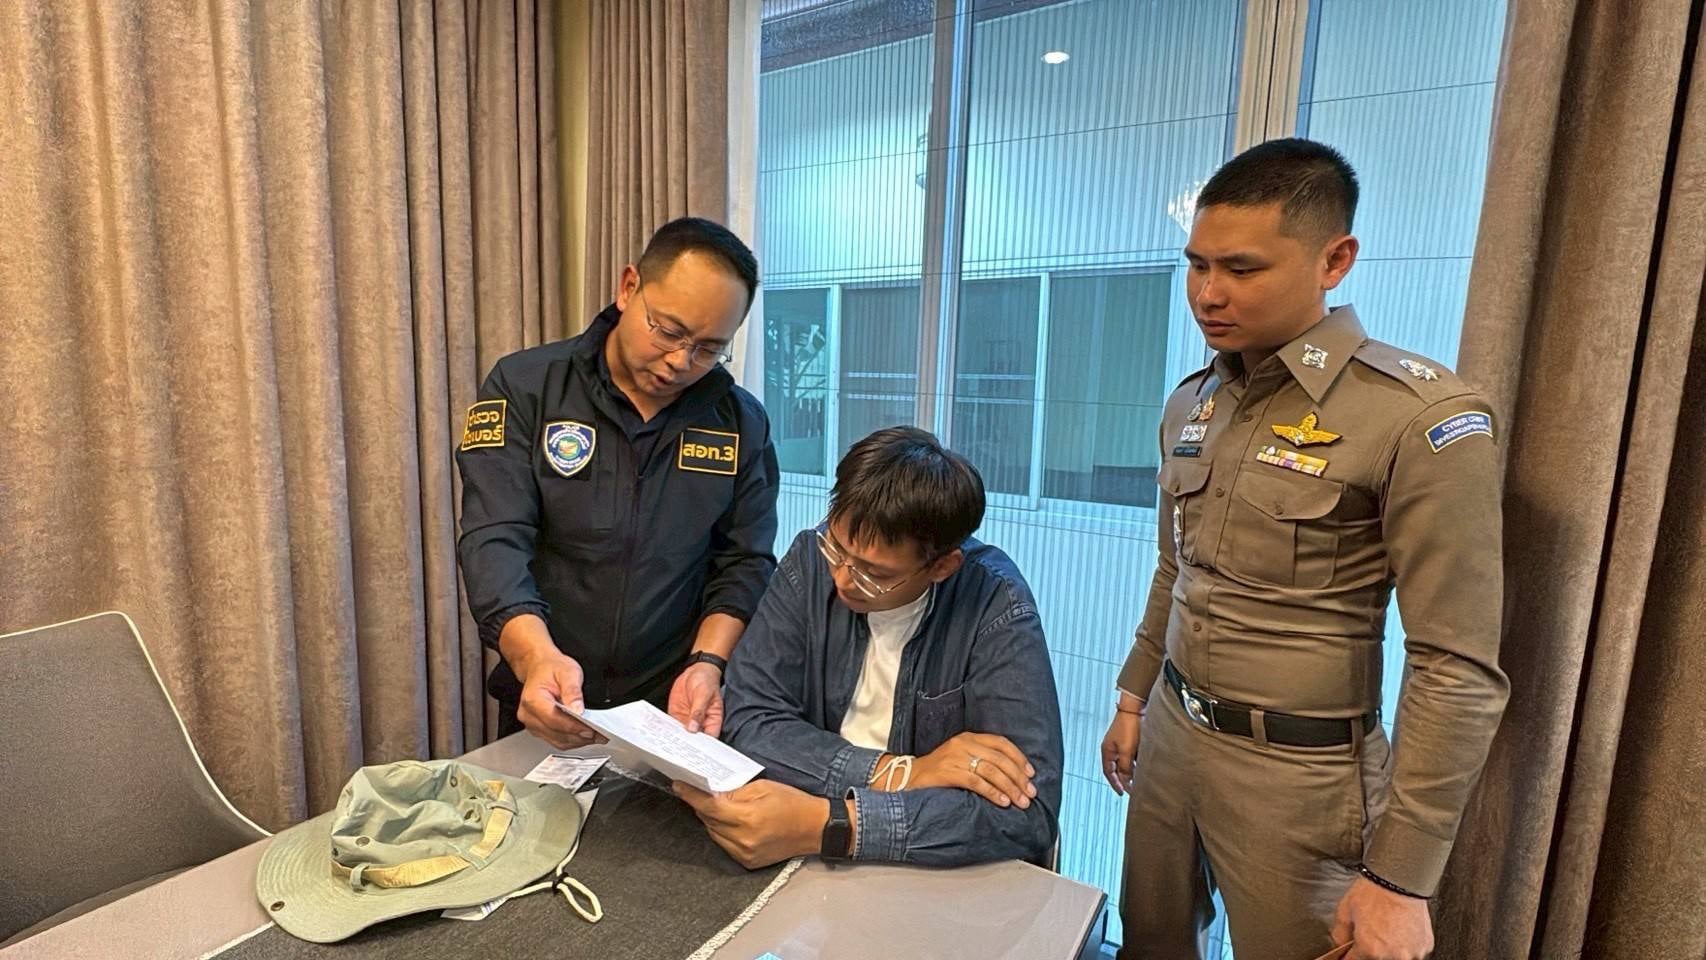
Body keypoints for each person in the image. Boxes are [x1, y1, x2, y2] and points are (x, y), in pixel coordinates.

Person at [1101, 139, 1508, 960]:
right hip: (1174, 736)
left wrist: (1401, 878)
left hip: (1301, 776)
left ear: (1335, 260)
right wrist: (1134, 697)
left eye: (1242, 269)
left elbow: (1455, 665)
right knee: (1151, 944)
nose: (1208, 293)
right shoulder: (1194, 402)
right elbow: (1177, 566)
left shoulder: (1417, 417)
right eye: (1197, 265)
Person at [456, 217, 779, 749]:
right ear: (629, 287)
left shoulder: (740, 422)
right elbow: (495, 538)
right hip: (548, 690)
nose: (680, 362)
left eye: (708, 349)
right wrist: (535, 658)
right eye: (668, 331)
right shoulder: (527, 387)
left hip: (669, 709)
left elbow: (744, 561)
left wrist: (708, 663)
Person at [674, 426, 1063, 869]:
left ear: (941, 566)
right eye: (838, 550)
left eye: (874, 574)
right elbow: (749, 718)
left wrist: (835, 824)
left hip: (920, 870)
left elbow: (1027, 812)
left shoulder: (995, 604)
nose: (842, 579)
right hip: (800, 848)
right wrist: (903, 773)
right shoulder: (811, 559)